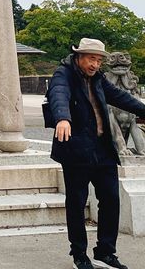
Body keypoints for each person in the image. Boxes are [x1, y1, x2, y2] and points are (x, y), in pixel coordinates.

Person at [47, 37, 145, 269]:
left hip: (102, 150)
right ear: (79, 57)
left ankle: (105, 252)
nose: (95, 65)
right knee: (77, 202)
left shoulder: (98, 78)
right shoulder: (64, 73)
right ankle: (79, 255)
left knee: (111, 199)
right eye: (91, 59)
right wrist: (62, 117)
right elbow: (58, 93)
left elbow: (122, 98)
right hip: (76, 150)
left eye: (99, 60)